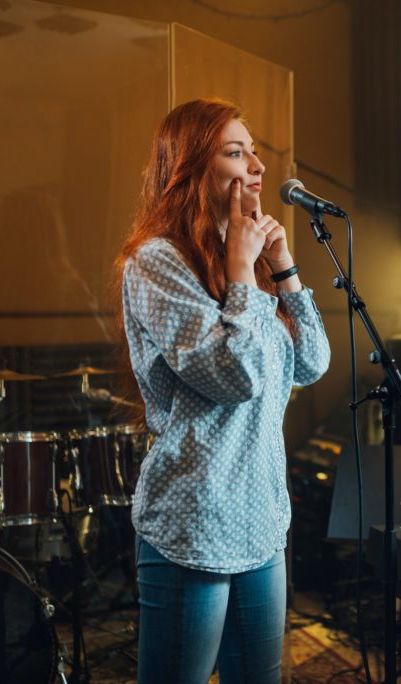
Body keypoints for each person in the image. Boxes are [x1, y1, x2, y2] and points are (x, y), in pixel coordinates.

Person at [114, 98, 331, 683]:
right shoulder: (156, 262)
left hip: (261, 517)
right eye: (236, 152)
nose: (257, 164)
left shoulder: (253, 258)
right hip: (195, 519)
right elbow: (233, 379)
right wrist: (241, 273)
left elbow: (312, 363)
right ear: (189, 169)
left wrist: (282, 268)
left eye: (253, 149)